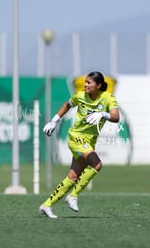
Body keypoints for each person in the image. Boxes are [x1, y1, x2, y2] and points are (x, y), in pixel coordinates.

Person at [39, 71, 119, 218]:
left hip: (89, 141)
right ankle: (73, 196)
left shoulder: (108, 98)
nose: (85, 84)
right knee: (97, 164)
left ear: (99, 85)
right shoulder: (80, 96)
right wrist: (54, 121)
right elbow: (67, 105)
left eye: (89, 82)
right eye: (86, 82)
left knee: (73, 177)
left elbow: (115, 117)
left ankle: (46, 205)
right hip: (76, 137)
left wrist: (103, 114)